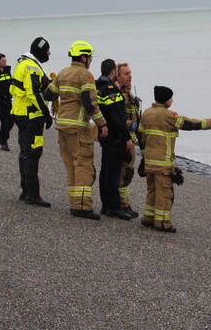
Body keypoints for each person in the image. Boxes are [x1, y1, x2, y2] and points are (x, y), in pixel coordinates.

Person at [138, 86, 211, 233]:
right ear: (166, 99)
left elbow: (141, 136)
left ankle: (148, 218)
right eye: (171, 98)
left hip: (149, 160)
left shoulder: (146, 113)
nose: (172, 100)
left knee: (152, 190)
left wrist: (143, 157)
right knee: (165, 193)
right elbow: (189, 124)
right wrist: (209, 123)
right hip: (163, 163)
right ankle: (162, 223)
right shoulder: (169, 115)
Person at [52, 41, 107, 219]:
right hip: (78, 128)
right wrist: (102, 124)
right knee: (83, 166)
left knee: (71, 166)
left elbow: (48, 93)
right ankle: (83, 207)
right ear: (83, 57)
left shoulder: (62, 73)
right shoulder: (86, 75)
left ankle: (75, 203)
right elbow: (90, 103)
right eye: (89, 56)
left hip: (62, 126)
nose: (90, 60)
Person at [10, 37, 54, 207]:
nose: (49, 53)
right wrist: (46, 114)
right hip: (31, 116)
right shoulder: (32, 67)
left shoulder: (23, 63)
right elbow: (33, 93)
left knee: (25, 152)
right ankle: (33, 194)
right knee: (33, 153)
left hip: (20, 113)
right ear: (41, 50)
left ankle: (26, 191)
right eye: (48, 50)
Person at [96, 59, 133, 219]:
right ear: (113, 72)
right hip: (114, 136)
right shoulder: (111, 89)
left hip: (105, 135)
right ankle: (113, 207)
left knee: (105, 170)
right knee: (112, 172)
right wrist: (127, 138)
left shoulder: (99, 87)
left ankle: (106, 205)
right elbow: (117, 117)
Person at [116, 62, 140, 218]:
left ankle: (125, 204)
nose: (130, 76)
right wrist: (134, 126)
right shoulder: (119, 95)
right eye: (126, 74)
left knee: (128, 172)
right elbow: (118, 118)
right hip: (123, 139)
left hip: (131, 139)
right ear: (117, 76)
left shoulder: (129, 94)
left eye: (130, 73)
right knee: (123, 173)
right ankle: (120, 204)